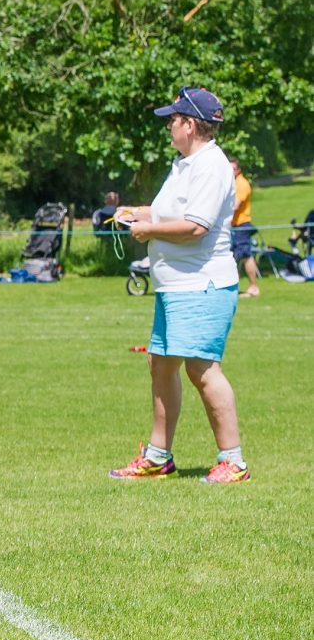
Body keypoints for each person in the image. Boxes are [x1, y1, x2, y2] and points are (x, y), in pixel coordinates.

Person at [110, 87, 248, 484]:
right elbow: (173, 211)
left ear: (190, 124)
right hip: (175, 287)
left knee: (203, 369)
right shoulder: (185, 164)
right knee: (161, 363)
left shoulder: (211, 165)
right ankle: (158, 457)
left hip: (202, 285)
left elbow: (196, 226)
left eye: (173, 119)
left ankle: (233, 461)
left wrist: (149, 229)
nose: (169, 125)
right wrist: (137, 212)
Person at [227, 157, 260, 297]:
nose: (231, 171)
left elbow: (235, 205)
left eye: (233, 169)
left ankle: (254, 287)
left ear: (239, 170)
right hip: (232, 225)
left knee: (246, 254)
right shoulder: (231, 183)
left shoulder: (242, 184)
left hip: (241, 225)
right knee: (232, 256)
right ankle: (232, 286)